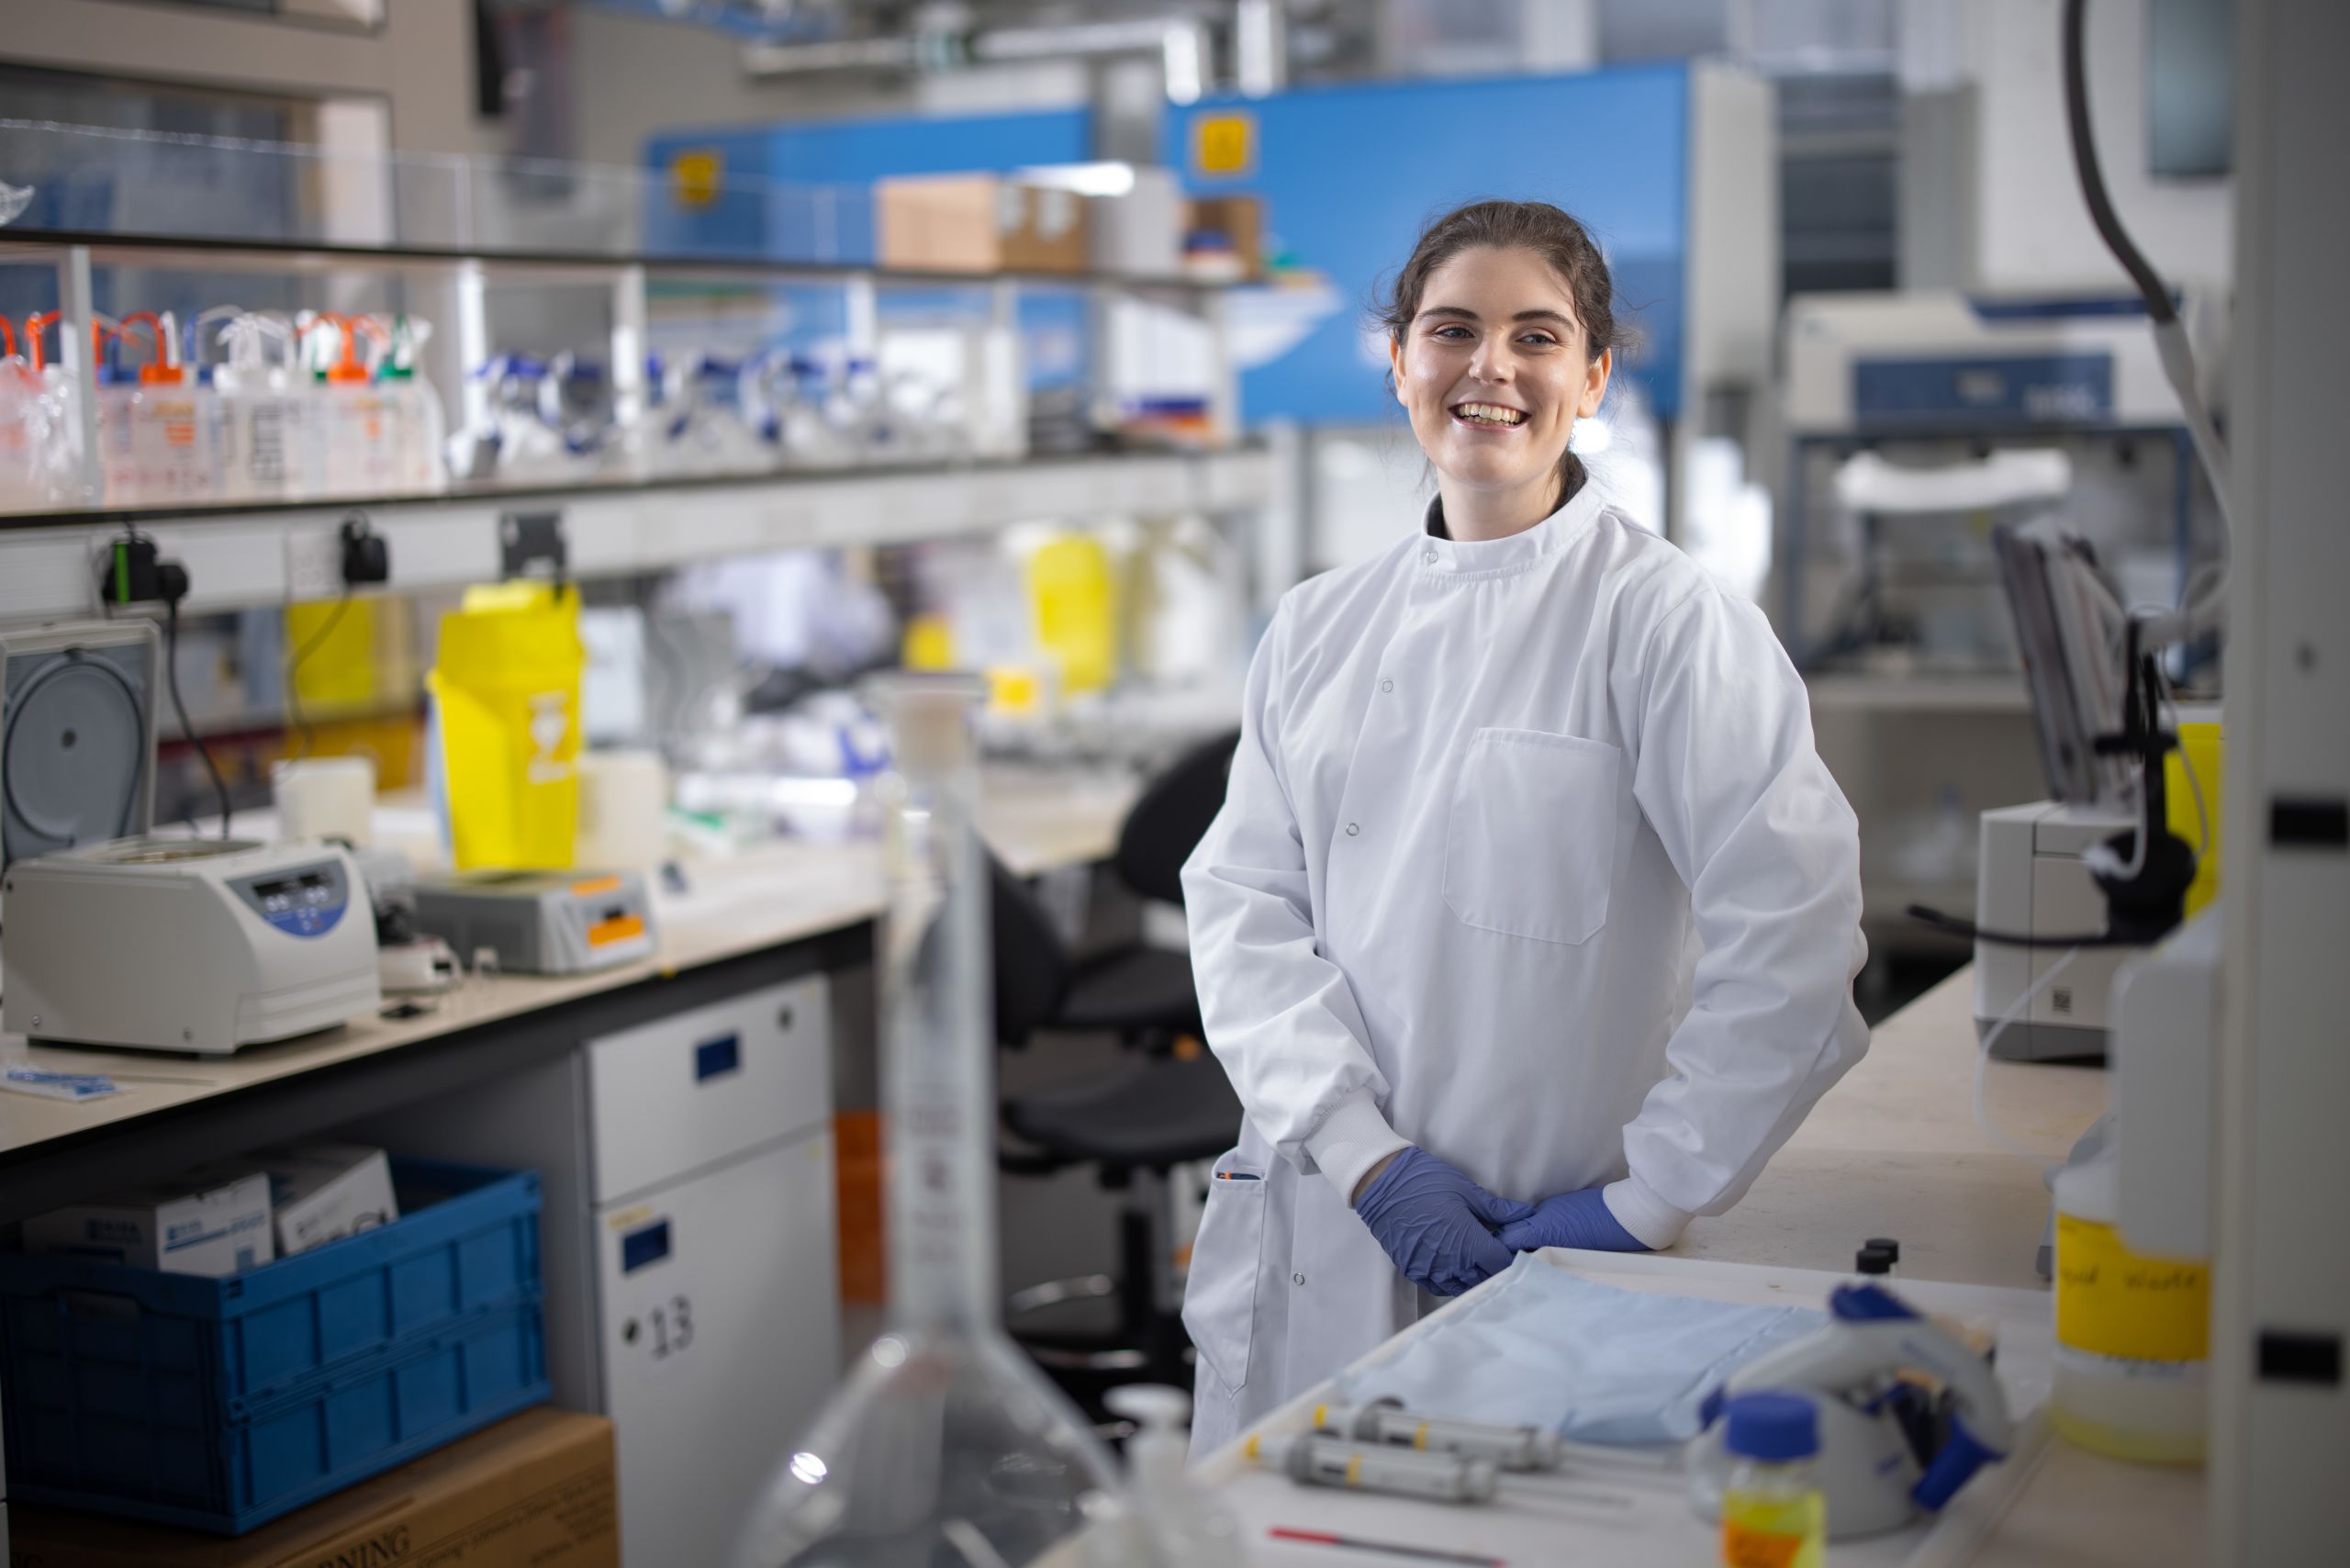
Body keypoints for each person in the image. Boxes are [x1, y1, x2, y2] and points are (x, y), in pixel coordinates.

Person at [1178, 200, 1870, 1455]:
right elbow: (1241, 913)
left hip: (1556, 1263)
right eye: (1452, 330)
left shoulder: (1669, 625)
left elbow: (1797, 940)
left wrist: (1650, 1196)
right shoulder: (1316, 629)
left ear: (1592, 375)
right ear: (1399, 363)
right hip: (1328, 1230)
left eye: (1536, 337)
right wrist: (1363, 1155)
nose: (1489, 368)